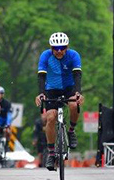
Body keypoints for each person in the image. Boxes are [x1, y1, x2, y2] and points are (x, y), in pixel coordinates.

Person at [34, 32, 84, 171]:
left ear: (67, 47)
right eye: (56, 48)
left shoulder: (73, 55)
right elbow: (41, 76)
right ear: (51, 47)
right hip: (52, 89)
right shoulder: (45, 56)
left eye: (62, 47)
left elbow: (77, 75)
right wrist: (41, 93)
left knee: (74, 104)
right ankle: (51, 154)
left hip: (69, 87)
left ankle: (71, 131)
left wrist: (78, 92)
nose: (59, 51)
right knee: (50, 118)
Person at [0, 86, 13, 161]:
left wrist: (8, 124)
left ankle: (7, 144)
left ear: (2, 95)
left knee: (7, 131)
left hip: (4, 122)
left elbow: (9, 115)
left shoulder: (7, 103)